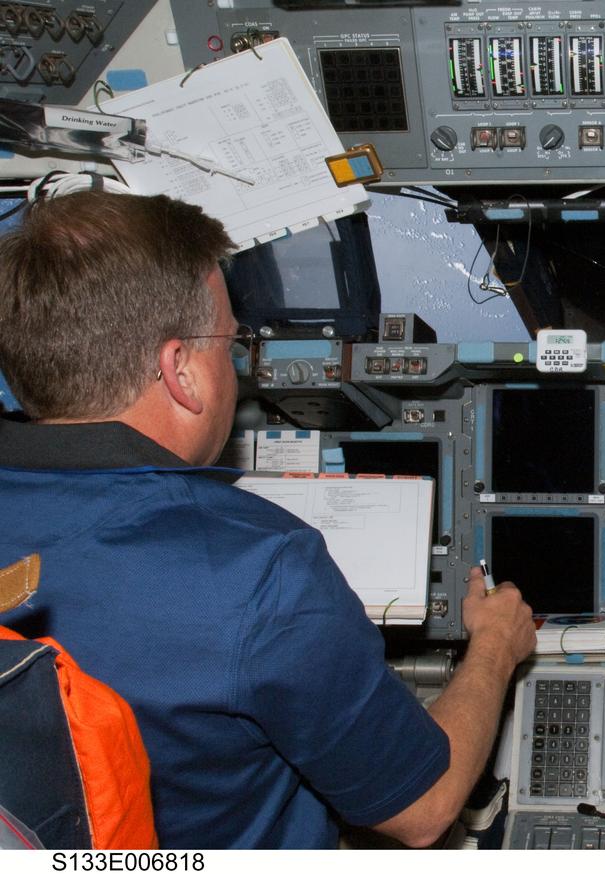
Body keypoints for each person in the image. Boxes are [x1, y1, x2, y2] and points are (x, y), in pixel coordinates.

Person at [0, 191, 537, 848]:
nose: (235, 367)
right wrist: (495, 647)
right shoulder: (260, 568)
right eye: (230, 345)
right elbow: (424, 809)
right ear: (181, 371)